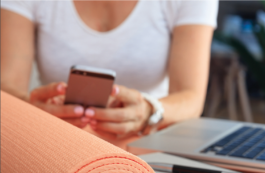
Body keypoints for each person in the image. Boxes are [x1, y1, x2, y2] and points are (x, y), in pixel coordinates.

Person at [1, 0, 218, 139]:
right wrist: (32, 107)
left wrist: (149, 110)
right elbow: (6, 85)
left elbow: (191, 97)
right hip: (56, 139)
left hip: (148, 141)